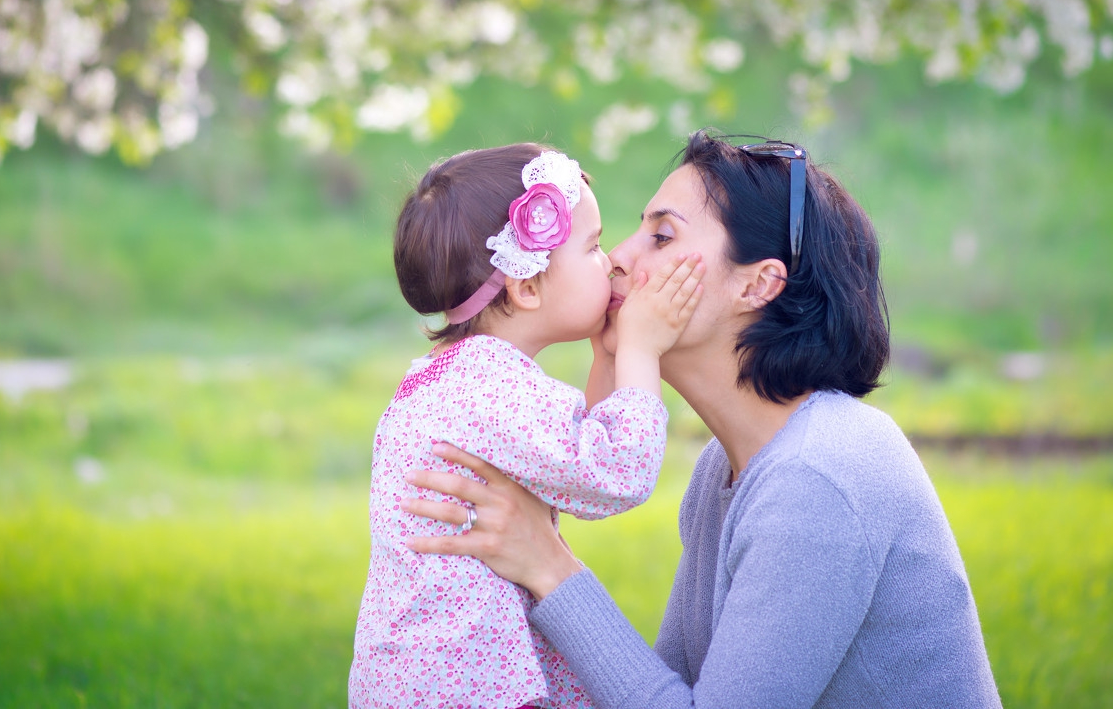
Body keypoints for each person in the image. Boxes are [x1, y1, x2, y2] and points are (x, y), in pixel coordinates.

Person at [403, 131, 1003, 708]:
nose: (617, 259)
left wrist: (548, 564)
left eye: (661, 237)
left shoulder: (820, 475)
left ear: (758, 284)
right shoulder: (726, 468)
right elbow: (665, 690)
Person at [348, 143, 706, 709]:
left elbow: (579, 463)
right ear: (528, 286)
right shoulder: (495, 387)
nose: (611, 260)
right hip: (465, 685)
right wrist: (642, 347)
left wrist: (607, 359)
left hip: (423, 678)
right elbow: (615, 472)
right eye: (591, 247)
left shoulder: (452, 378)